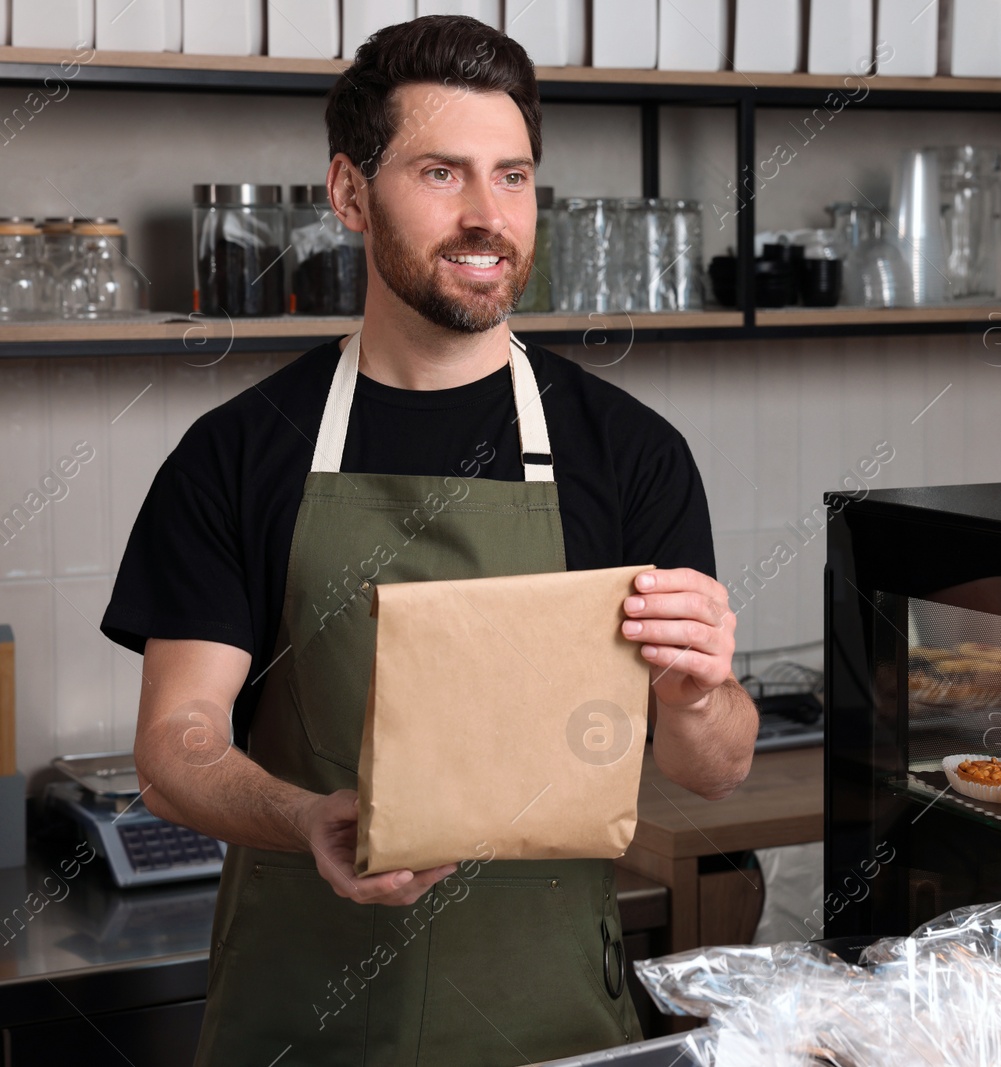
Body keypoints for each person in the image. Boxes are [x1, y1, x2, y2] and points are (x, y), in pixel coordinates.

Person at [100, 15, 757, 1065]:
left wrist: (697, 692)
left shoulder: (628, 453)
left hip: (548, 1021)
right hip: (300, 1020)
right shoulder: (240, 451)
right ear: (350, 193)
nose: (486, 215)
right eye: (441, 173)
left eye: (512, 176)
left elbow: (714, 766)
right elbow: (175, 749)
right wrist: (308, 817)